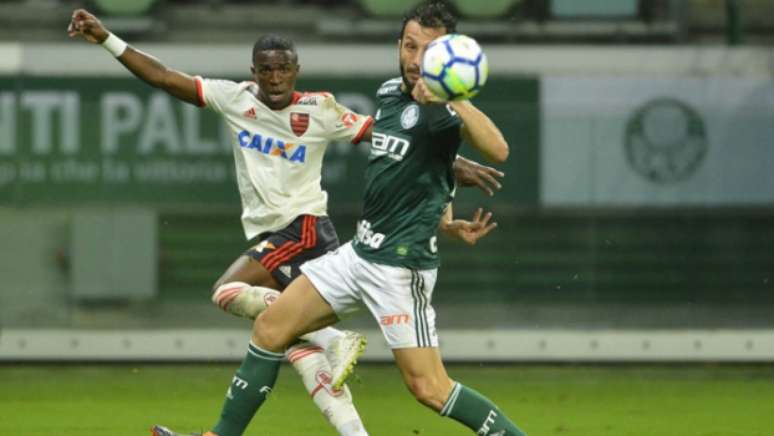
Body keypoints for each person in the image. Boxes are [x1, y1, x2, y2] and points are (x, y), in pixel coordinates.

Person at [67, 6, 507, 436]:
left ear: (296, 71)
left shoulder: (334, 109)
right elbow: (412, 159)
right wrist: (108, 39)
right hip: (357, 251)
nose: (415, 58)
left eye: (427, 51)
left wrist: (456, 126)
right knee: (279, 333)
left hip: (346, 245)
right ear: (254, 71)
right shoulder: (384, 93)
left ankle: (333, 339)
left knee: (427, 388)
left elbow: (482, 151)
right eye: (409, 46)